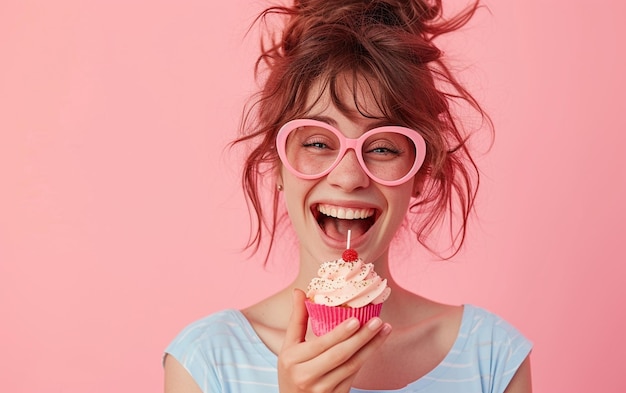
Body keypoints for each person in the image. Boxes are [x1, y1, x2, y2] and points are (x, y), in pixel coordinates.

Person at [163, 0, 533, 392]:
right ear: (277, 166)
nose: (348, 176)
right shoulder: (206, 361)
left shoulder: (491, 357)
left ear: (421, 174)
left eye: (383, 148)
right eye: (319, 142)